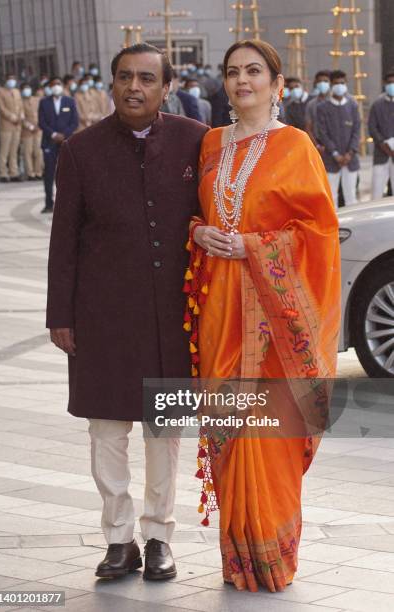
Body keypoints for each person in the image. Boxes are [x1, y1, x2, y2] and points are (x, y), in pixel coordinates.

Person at [46, 43, 208, 581]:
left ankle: (159, 536)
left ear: (166, 87)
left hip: (172, 316)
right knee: (105, 432)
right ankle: (119, 540)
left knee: (165, 433)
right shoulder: (80, 149)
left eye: (145, 78)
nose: (133, 87)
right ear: (111, 84)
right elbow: (63, 238)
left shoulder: (194, 140)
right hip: (103, 316)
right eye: (123, 77)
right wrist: (60, 315)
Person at [186, 39, 340, 592]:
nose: (242, 80)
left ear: (277, 84)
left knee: (267, 435)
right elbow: (196, 215)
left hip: (276, 322)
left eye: (254, 71)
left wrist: (253, 246)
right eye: (232, 72)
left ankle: (272, 559)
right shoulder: (208, 144)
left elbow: (319, 233)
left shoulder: (295, 145)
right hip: (220, 312)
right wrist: (198, 232)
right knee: (229, 431)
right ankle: (237, 559)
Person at [317, 69, 361, 208]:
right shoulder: (322, 107)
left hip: (350, 159)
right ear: (331, 85)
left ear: (346, 84)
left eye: (342, 83)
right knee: (331, 197)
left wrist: (350, 153)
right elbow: (323, 133)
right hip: (331, 160)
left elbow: (357, 131)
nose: (339, 86)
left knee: (351, 197)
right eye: (336, 83)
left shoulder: (353, 105)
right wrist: (335, 153)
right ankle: (333, 229)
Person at [38, 76, 78, 213]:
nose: (56, 86)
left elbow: (74, 122)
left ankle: (67, 203)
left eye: (58, 84)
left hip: (65, 143)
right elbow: (41, 122)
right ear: (49, 87)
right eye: (53, 84)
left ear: (62, 85)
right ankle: (49, 203)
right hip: (49, 142)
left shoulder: (70, 101)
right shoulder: (44, 102)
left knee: (66, 173)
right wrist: (53, 134)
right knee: (49, 173)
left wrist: (64, 135)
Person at [368, 69, 394, 200]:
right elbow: (372, 127)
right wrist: (383, 144)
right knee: (377, 191)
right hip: (381, 153)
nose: (392, 85)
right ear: (385, 84)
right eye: (389, 82)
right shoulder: (377, 104)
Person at [0, 74, 24, 182]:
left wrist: (21, 116)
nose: (12, 81)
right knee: (4, 150)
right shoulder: (0, 91)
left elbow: (21, 106)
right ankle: (2, 173)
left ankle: (14, 172)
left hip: (17, 125)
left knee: (14, 150)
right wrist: (12, 117)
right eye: (10, 79)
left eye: (13, 79)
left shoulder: (16, 91)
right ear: (6, 80)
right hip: (6, 124)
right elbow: (1, 108)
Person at [21, 83, 43, 180]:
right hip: (27, 132)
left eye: (28, 88)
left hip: (38, 130)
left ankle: (38, 172)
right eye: (25, 89)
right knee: (28, 153)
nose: (27, 90)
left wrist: (40, 125)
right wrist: (30, 127)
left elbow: (42, 113)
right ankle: (30, 174)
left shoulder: (37, 100)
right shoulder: (20, 102)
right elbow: (22, 118)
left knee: (38, 152)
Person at [305, 70, 331, 151]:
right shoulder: (311, 104)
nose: (322, 83)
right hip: (319, 145)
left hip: (337, 146)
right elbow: (308, 128)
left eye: (325, 81)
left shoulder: (336, 103)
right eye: (320, 81)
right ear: (316, 83)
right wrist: (317, 145)